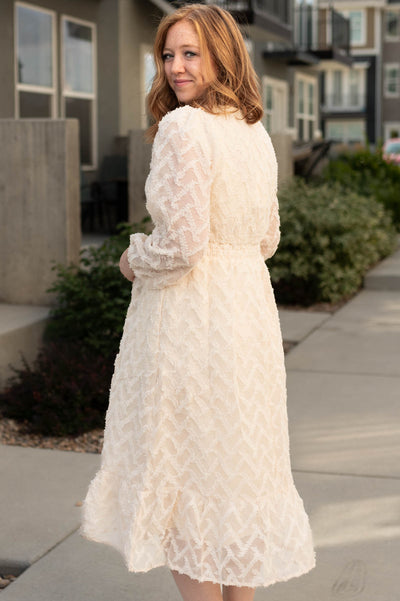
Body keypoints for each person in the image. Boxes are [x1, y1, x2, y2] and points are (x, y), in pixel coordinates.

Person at [80, 4, 315, 601]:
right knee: (231, 479)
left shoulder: (185, 128)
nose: (176, 67)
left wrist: (134, 255)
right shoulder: (252, 130)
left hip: (190, 319)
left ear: (221, 56)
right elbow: (267, 238)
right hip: (246, 316)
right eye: (168, 54)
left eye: (191, 54)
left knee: (187, 480)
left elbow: (181, 244)